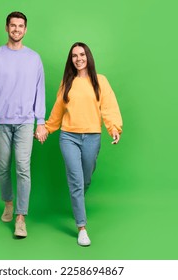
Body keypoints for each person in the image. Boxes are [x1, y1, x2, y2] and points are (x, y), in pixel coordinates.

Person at [43, 42, 123, 246]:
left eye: (82, 54)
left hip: (92, 137)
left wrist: (114, 127)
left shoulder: (100, 81)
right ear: (71, 60)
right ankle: (82, 228)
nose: (78, 59)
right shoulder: (67, 82)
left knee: (85, 180)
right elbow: (57, 110)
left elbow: (109, 107)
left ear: (88, 56)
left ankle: (76, 201)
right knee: (76, 182)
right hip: (68, 136)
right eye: (74, 56)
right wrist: (46, 128)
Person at [0, 11, 48, 238]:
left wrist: (41, 121)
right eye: (13, 26)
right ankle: (8, 202)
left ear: (25, 30)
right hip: (1, 122)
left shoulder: (34, 59)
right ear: (7, 28)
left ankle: (20, 217)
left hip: (26, 122)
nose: (17, 29)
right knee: (2, 167)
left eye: (21, 26)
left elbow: (40, 92)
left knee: (23, 168)